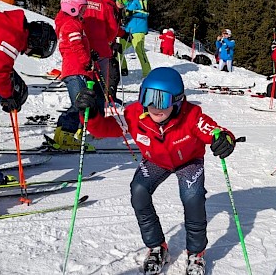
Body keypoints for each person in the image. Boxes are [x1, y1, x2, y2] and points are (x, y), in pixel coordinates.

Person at [74, 67, 237, 275]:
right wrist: (91, 114)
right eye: (147, 97)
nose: (153, 106)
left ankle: (196, 253)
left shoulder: (192, 116)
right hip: (155, 160)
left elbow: (215, 131)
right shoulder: (135, 115)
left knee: (192, 197)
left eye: (161, 100)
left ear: (178, 101)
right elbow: (103, 129)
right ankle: (157, 246)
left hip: (188, 161)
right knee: (139, 191)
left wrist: (224, 138)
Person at [0, 9, 57, 216]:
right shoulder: (12, 37)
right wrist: (9, 94)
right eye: (32, 51)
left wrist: (2, 97)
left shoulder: (2, 27)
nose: (26, 52)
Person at [53, 0, 96, 151]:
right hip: (75, 69)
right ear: (72, 8)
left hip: (76, 69)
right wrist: (86, 61)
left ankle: (62, 133)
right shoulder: (72, 25)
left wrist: (91, 56)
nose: (84, 12)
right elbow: (75, 45)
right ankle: (66, 134)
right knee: (80, 104)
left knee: (78, 103)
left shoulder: (74, 23)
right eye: (82, 9)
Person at [70, 0, 121, 108]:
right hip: (102, 52)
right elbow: (113, 29)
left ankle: (79, 122)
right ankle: (97, 122)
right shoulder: (103, 4)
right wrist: (103, 41)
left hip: (80, 53)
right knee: (99, 92)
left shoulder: (73, 2)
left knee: (81, 95)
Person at [116, 0, 151, 77]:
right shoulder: (129, 0)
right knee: (119, 48)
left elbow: (146, 13)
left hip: (138, 29)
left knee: (139, 51)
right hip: (128, 29)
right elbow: (122, 7)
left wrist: (133, 12)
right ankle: (123, 69)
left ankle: (147, 73)